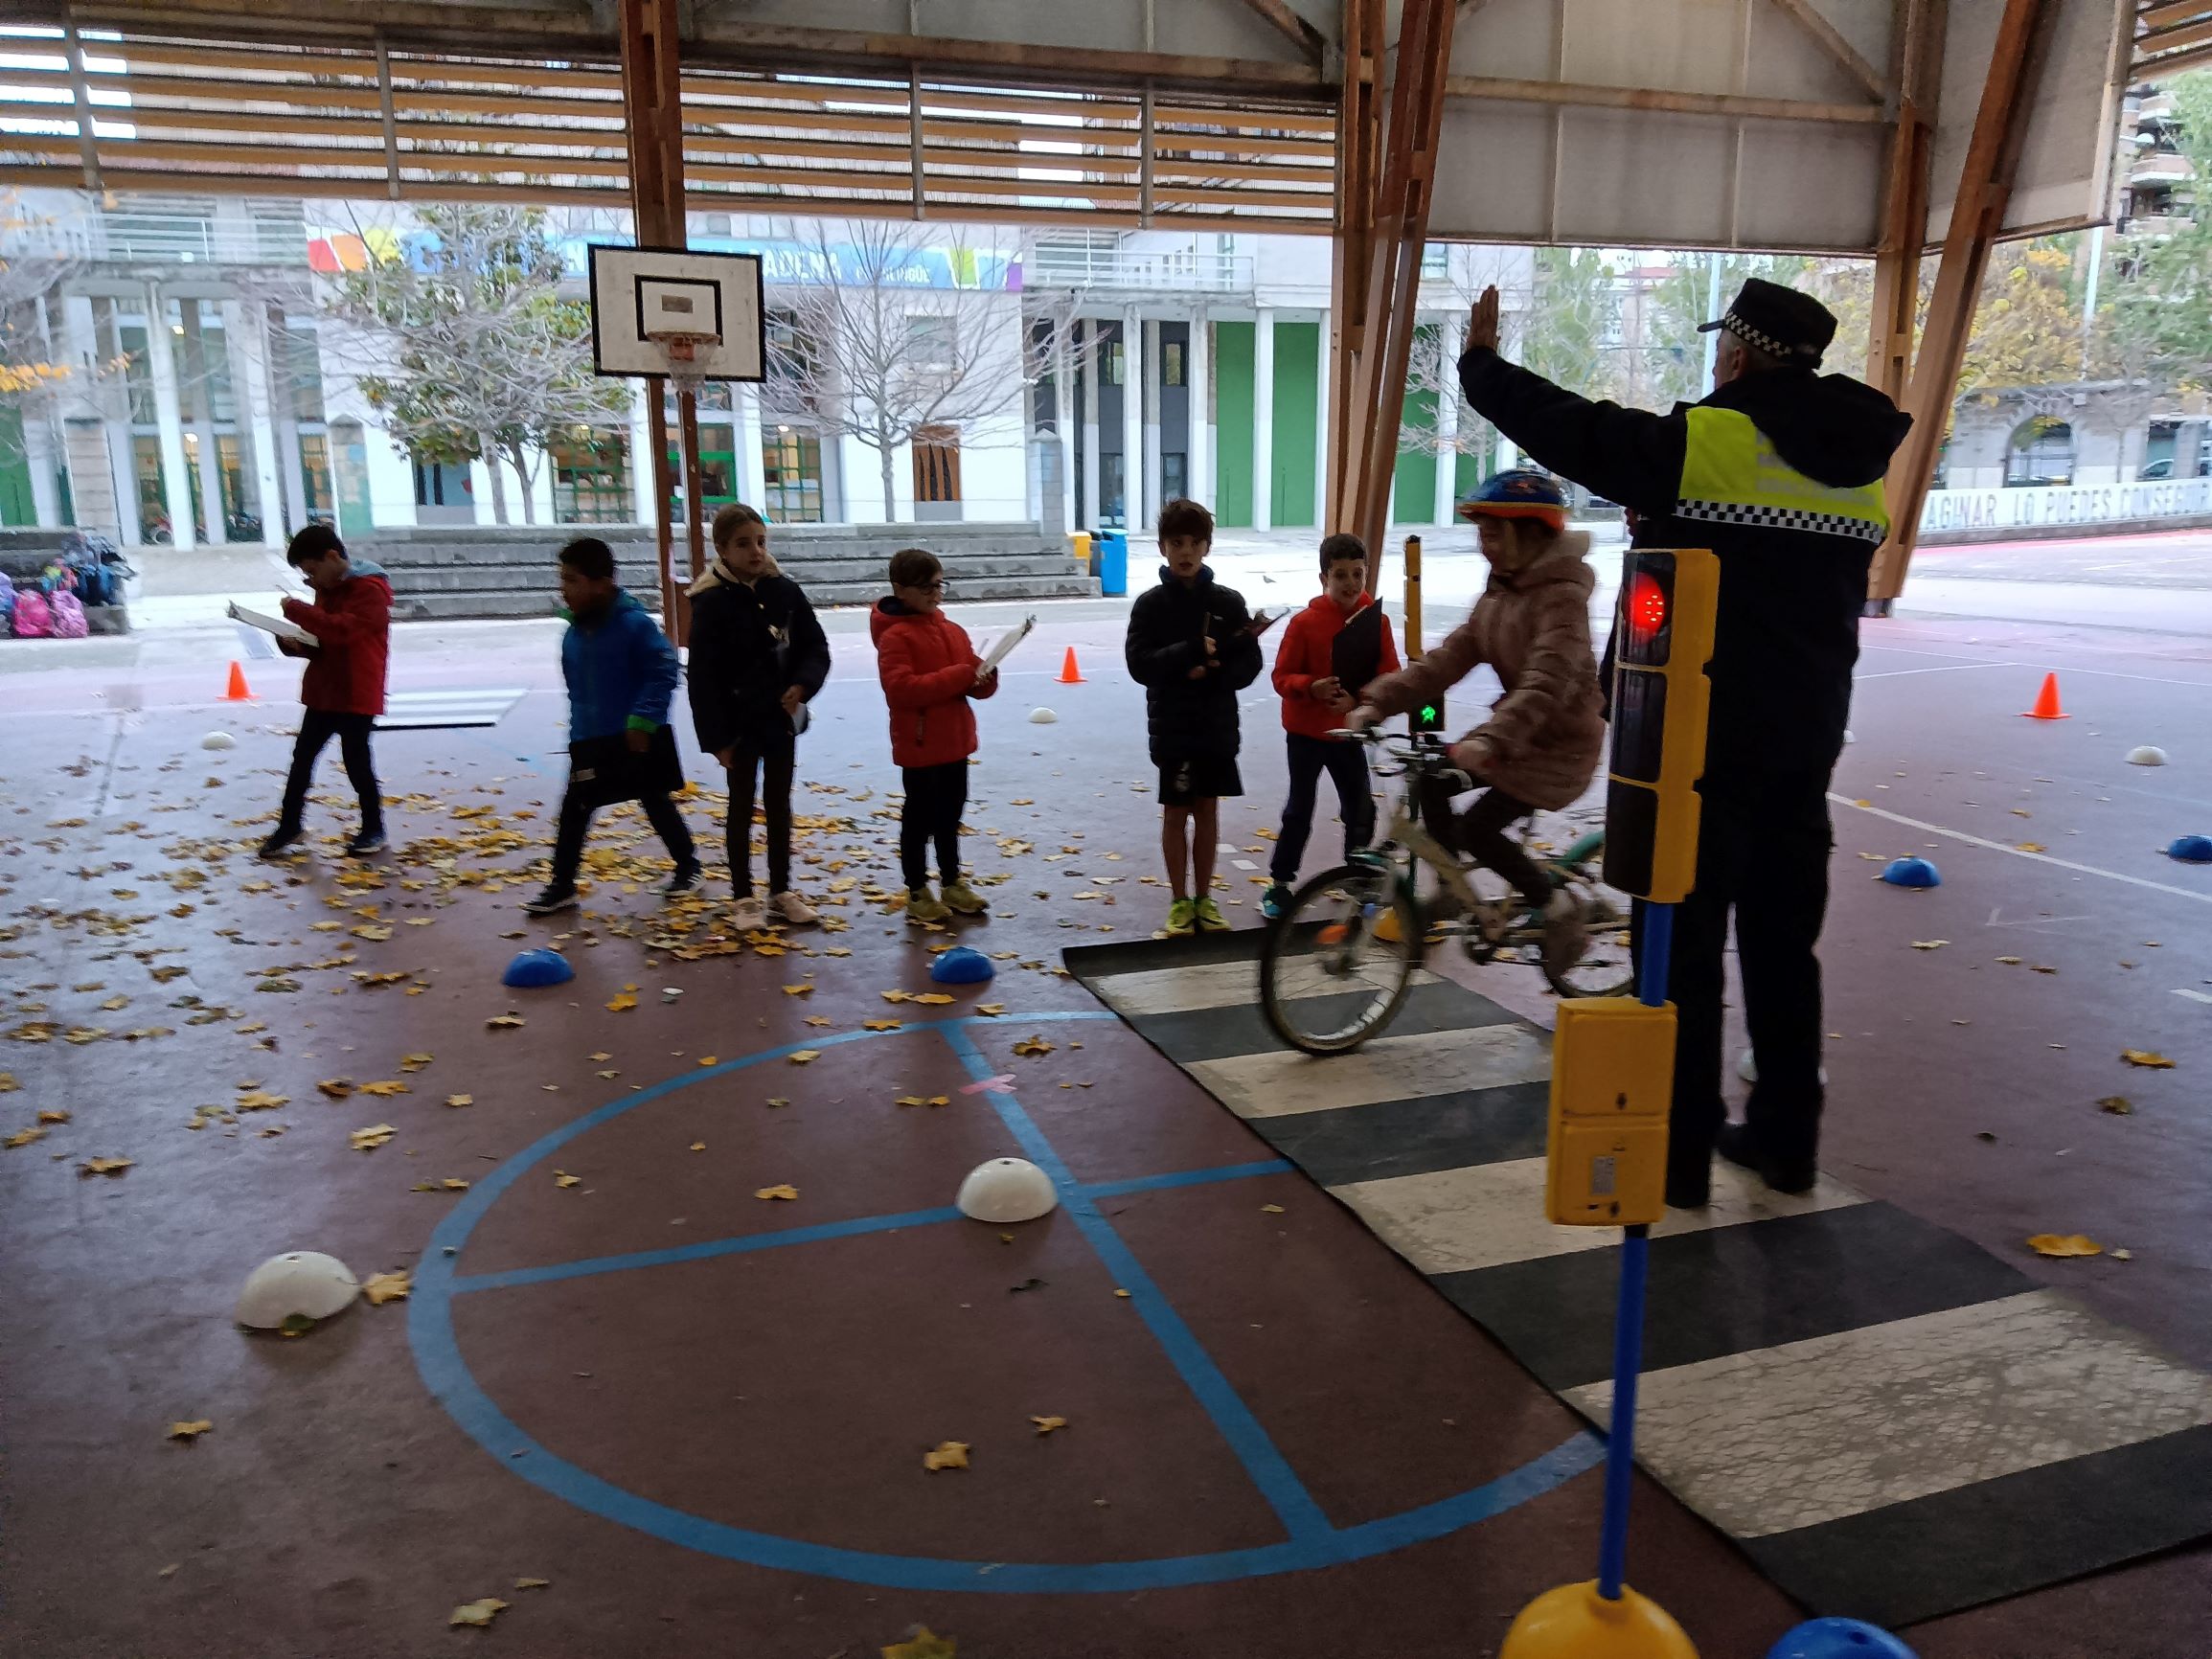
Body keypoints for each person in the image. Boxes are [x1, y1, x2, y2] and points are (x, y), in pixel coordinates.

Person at [1456, 275, 1912, 1208]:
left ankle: (1678, 1156)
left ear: (1737, 353)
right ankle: (1786, 1143)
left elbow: (1575, 429)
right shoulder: (1858, 467)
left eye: (1719, 352)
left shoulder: (1713, 440)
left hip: (1695, 748)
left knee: (1684, 946)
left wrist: (1481, 366)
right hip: (1806, 739)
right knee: (1787, 950)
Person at [1352, 469, 1603, 980]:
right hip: (1513, 738)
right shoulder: (1501, 594)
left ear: (1529, 534)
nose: (1484, 546)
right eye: (1481, 534)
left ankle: (1558, 908)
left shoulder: (1562, 601)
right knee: (1431, 777)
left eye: (1492, 534)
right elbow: (1445, 661)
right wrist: (1378, 701)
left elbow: (1544, 684)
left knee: (1479, 829)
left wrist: (1488, 739)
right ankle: (1449, 887)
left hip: (1555, 749)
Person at [524, 537, 699, 916]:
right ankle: (562, 884)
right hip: (590, 739)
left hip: (635, 737)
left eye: (572, 580)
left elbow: (664, 671)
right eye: (563, 579)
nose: (564, 589)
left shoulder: (634, 625)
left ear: (602, 583)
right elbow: (578, 692)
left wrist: (643, 719)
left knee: (654, 799)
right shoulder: (574, 633)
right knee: (575, 808)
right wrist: (577, 736)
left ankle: (688, 865)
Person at [1125, 497, 1272, 936]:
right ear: (1162, 548)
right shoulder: (1150, 605)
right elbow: (1139, 664)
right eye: (1176, 542)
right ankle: (1178, 902)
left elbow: (1250, 666)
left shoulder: (1229, 601)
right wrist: (1188, 654)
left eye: (1194, 542)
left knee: (1208, 811)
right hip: (1173, 727)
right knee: (1176, 812)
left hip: (1216, 726)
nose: (1185, 551)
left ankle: (1205, 899)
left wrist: (1216, 668)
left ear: (1207, 547)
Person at [685, 504, 832, 931]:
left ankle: (781, 890)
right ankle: (743, 895)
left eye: (761, 541)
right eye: (743, 544)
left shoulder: (785, 591)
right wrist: (717, 739)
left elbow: (815, 647)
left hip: (779, 720)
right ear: (722, 550)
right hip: (737, 725)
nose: (755, 551)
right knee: (740, 806)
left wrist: (803, 686)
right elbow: (703, 679)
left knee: (779, 804)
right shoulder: (710, 602)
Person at [1261, 532, 1400, 918]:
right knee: (1298, 810)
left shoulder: (1377, 622)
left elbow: (1391, 673)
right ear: (1324, 578)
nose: (1351, 584)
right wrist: (1311, 687)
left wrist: (1363, 700)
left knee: (1360, 809)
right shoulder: (1304, 624)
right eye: (1341, 575)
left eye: (1358, 574)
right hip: (1305, 735)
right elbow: (1281, 677)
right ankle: (1280, 884)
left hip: (1349, 734)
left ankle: (1358, 882)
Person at [871, 547, 996, 925]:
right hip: (920, 745)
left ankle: (952, 881)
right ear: (900, 589)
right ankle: (917, 889)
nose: (935, 593)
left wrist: (985, 678)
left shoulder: (952, 630)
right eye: (925, 587)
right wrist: (961, 675)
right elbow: (902, 690)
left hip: (956, 741)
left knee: (950, 815)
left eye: (939, 585)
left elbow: (972, 678)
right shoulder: (895, 638)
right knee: (918, 819)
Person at [261, 525, 392, 859]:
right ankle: (290, 824)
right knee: (302, 758)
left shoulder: (371, 590)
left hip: (356, 691)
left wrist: (296, 609)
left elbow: (344, 631)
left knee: (356, 761)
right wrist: (292, 643)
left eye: (312, 570)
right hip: (323, 690)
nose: (311, 578)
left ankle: (373, 828)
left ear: (333, 557)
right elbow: (320, 640)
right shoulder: (327, 587)